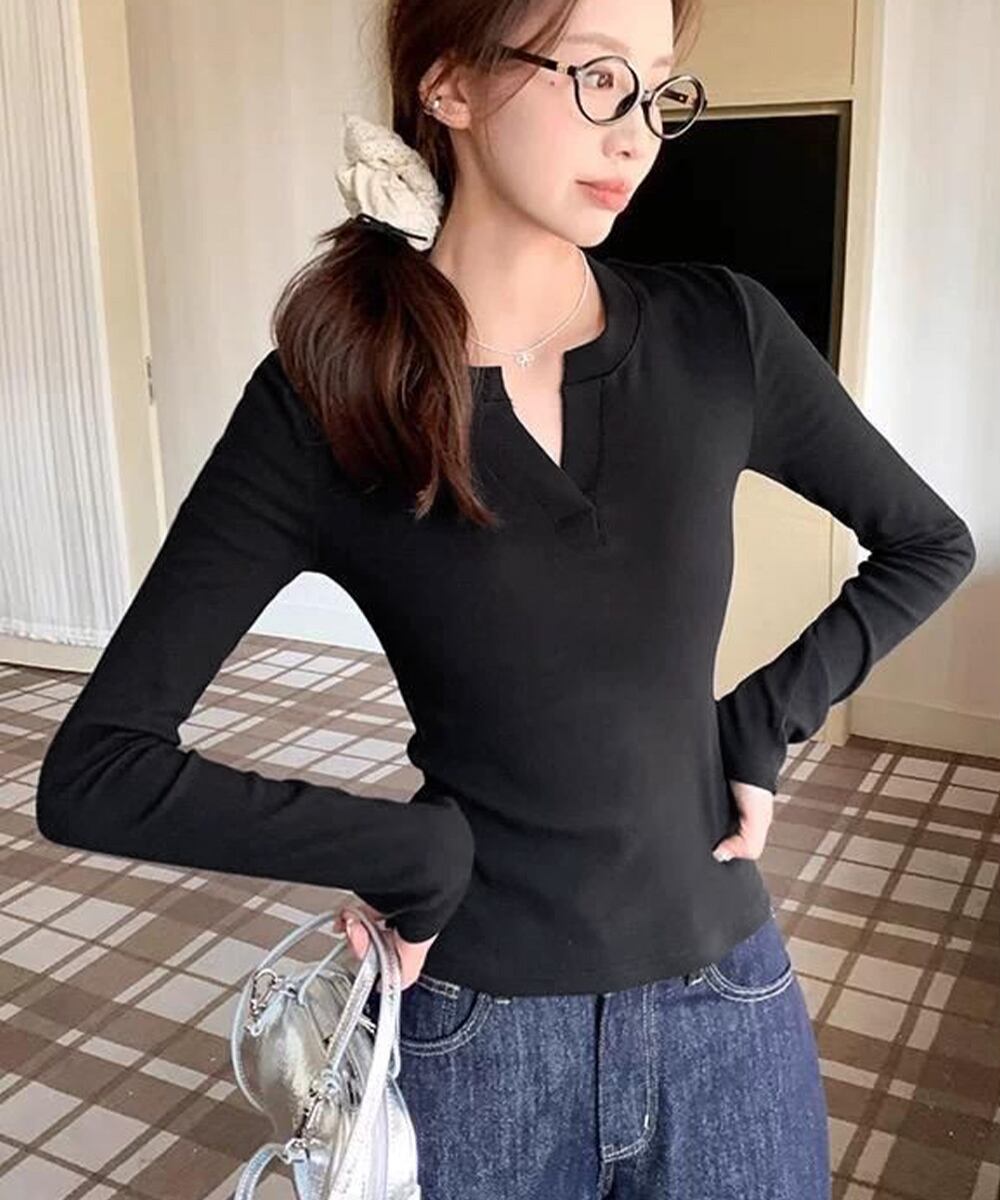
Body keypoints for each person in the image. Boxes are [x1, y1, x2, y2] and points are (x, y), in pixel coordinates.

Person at [35, 0, 976, 1196]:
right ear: (451, 87)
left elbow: (927, 542)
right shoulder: (326, 399)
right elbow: (98, 772)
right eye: (594, 77)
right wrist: (405, 848)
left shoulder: (720, 332)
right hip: (480, 1036)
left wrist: (764, 717)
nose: (635, 132)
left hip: (727, 1002)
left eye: (656, 90)